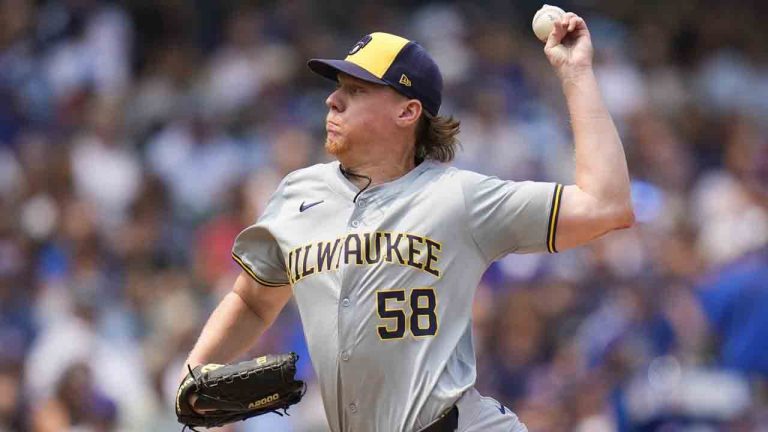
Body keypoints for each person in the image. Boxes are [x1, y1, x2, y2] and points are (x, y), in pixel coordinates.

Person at [183, 13, 634, 432]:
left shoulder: (457, 197)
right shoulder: (298, 195)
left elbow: (605, 206)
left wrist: (575, 73)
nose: (333, 99)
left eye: (357, 90)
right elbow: (255, 301)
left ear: (408, 112)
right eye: (339, 85)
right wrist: (195, 377)